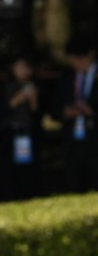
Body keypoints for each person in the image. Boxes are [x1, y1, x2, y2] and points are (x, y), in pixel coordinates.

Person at [0, 54, 42, 202]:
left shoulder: (35, 87)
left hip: (26, 134)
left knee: (26, 167)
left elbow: (37, 116)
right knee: (7, 169)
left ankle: (27, 194)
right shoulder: (4, 89)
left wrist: (34, 101)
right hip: (8, 134)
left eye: (27, 68)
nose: (24, 71)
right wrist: (15, 101)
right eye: (20, 67)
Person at [57, 34, 97, 193]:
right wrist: (65, 112)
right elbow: (55, 106)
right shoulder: (67, 76)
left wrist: (92, 112)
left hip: (95, 139)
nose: (76, 63)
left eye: (79, 59)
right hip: (73, 140)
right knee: (74, 184)